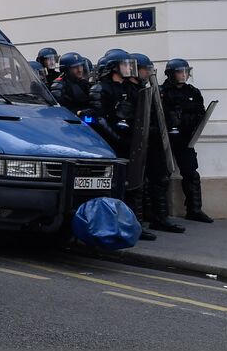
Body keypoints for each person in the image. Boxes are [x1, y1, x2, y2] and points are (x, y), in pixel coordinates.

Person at [88, 49, 157, 241]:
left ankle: (135, 225)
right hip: (110, 145)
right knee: (114, 187)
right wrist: (117, 138)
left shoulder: (129, 88)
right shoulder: (101, 89)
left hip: (130, 143)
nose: (128, 69)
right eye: (124, 65)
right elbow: (99, 118)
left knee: (134, 185)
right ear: (113, 68)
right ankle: (113, 225)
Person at [131, 53, 184, 234]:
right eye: (145, 69)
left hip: (154, 142)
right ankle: (138, 222)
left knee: (160, 179)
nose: (148, 73)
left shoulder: (149, 89)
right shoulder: (132, 91)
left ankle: (160, 218)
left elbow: (160, 113)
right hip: (137, 143)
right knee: (138, 184)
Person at [162, 58, 212, 223]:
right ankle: (159, 214)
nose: (184, 75)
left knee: (191, 173)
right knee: (161, 175)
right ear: (171, 74)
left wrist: (187, 120)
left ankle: (194, 210)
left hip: (185, 138)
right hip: (165, 139)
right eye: (179, 72)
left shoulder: (193, 92)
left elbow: (201, 113)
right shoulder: (162, 92)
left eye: (186, 72)